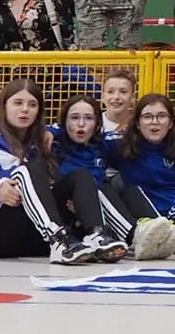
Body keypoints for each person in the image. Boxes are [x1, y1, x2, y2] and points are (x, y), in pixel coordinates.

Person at [0, 78, 96, 264]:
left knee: (79, 175)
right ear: (4, 106)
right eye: (17, 103)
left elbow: (81, 129)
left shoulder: (44, 145)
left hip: (31, 239)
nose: (25, 109)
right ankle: (59, 239)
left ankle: (97, 237)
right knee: (28, 170)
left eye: (32, 104)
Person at [100, 93, 175, 255]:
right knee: (128, 189)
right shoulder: (119, 143)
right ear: (137, 123)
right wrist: (53, 131)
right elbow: (84, 136)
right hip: (143, 217)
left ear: (171, 122)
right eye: (147, 117)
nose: (154, 122)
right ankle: (157, 236)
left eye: (161, 116)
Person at [47, 94, 129, 261]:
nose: (81, 124)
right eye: (74, 118)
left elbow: (137, 138)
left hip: (90, 211)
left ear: (97, 123)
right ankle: (100, 234)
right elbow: (21, 138)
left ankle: (132, 234)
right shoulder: (53, 143)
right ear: (63, 122)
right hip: (60, 214)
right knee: (83, 175)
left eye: (88, 118)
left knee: (113, 186)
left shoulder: (102, 145)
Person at [100, 69, 136, 134]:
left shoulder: (139, 126)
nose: (116, 97)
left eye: (123, 92)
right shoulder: (94, 125)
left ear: (133, 97)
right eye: (110, 92)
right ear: (103, 97)